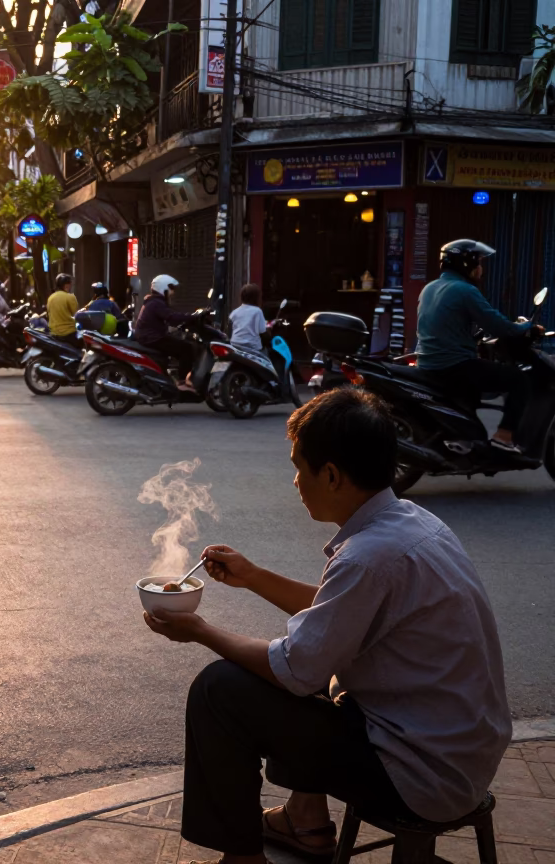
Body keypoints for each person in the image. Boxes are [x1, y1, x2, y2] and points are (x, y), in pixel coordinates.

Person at [143, 388, 511, 864]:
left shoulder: (367, 556)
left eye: (300, 467)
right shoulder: (412, 523)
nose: (296, 482)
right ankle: (306, 822)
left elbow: (296, 668)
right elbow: (339, 617)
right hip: (458, 754)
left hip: (419, 774)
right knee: (315, 676)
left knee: (222, 690)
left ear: (332, 475)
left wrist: (201, 631)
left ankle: (243, 858)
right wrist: (252, 577)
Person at [417, 239, 543, 453]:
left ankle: (466, 437)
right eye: (479, 262)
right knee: (519, 380)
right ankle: (504, 436)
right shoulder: (465, 291)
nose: (481, 269)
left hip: (428, 363)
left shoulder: (430, 288)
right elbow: (499, 325)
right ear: (466, 263)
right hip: (453, 365)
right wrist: (529, 327)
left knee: (474, 386)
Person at [132, 274, 196, 392]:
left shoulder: (154, 302)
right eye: (171, 289)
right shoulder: (156, 303)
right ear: (164, 288)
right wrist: (191, 317)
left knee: (178, 344)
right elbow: (171, 317)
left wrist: (185, 318)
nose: (172, 292)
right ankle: (182, 381)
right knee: (186, 349)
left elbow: (171, 316)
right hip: (152, 337)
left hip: (149, 336)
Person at [229, 283, 269, 356]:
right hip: (252, 347)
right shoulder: (257, 311)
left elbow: (230, 330)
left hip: (235, 345)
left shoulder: (234, 312)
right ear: (257, 297)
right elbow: (262, 332)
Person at [47, 273, 80, 348]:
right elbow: (76, 314)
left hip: (54, 333)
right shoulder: (70, 297)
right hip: (69, 333)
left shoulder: (50, 298)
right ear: (66, 285)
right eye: (70, 284)